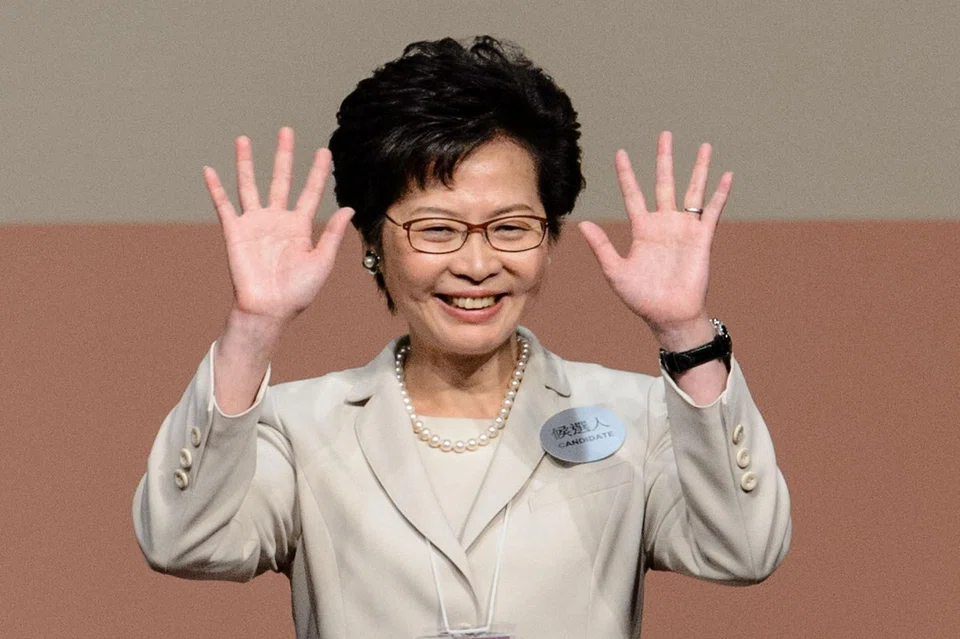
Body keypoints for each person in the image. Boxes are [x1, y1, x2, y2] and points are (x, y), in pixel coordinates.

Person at [133, 36, 791, 638]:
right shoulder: (300, 427)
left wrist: (684, 330)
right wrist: (254, 326)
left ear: (549, 237)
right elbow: (183, 540)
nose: (477, 264)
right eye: (437, 230)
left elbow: (745, 548)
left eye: (510, 227)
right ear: (372, 242)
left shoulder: (633, 416)